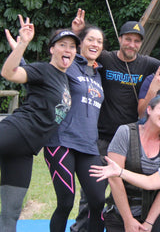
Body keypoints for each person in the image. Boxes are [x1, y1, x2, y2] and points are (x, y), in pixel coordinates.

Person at [70, 9, 160, 232]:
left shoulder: (148, 64)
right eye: (128, 39)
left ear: (141, 44)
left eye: (136, 41)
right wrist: (76, 32)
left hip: (130, 139)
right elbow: (81, 53)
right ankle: (81, 229)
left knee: (127, 189)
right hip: (100, 137)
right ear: (120, 39)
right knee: (93, 192)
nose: (131, 44)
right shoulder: (105, 58)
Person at [0, 15, 79, 231]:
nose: (68, 49)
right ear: (52, 49)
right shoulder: (44, 69)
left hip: (25, 151)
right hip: (14, 132)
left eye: (72, 46)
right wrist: (22, 45)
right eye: (62, 45)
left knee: (11, 212)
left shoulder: (64, 78)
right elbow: (9, 72)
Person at [43, 25, 106, 232]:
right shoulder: (68, 66)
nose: (94, 44)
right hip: (61, 142)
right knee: (66, 202)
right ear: (81, 44)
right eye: (90, 40)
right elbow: (45, 70)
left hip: (88, 146)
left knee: (97, 202)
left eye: (99, 41)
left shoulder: (98, 74)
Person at [104, 95, 160, 232]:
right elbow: (114, 180)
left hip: (157, 207)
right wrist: (128, 219)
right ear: (149, 109)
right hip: (124, 206)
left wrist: (148, 223)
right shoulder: (125, 132)